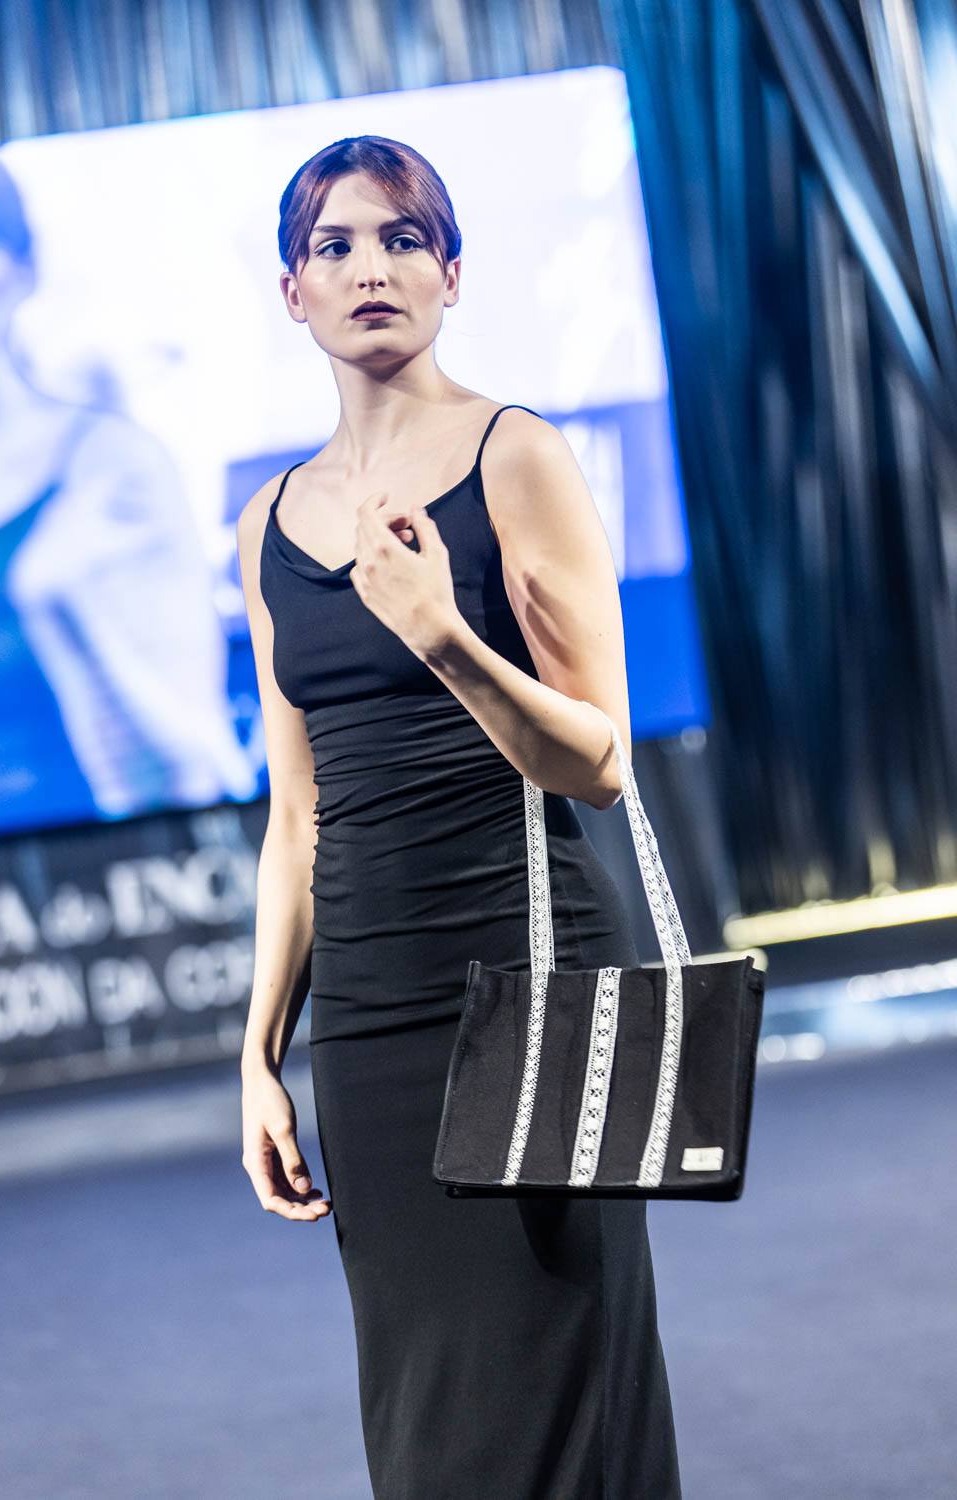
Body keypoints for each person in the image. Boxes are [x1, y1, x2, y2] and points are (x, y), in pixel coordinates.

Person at [237, 134, 682, 1499]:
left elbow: (598, 760)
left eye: (404, 237)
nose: (371, 266)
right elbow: (297, 814)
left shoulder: (515, 454)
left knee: (553, 1398)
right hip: (369, 1022)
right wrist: (259, 1052)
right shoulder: (266, 522)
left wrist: (444, 638)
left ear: (452, 274)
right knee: (428, 1416)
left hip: (530, 981)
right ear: (293, 291)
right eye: (335, 245)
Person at [0, 147, 257, 839]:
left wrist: (56, 600)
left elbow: (189, 753)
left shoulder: (109, 466)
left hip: (81, 870)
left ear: (24, 266)